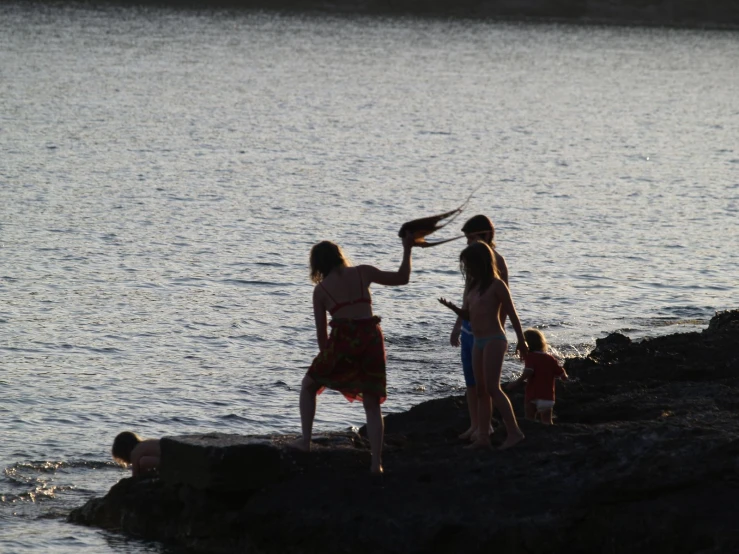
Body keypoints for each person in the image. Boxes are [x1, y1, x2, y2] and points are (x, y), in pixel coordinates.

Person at [290, 232, 416, 475]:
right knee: (371, 402)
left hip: (343, 340)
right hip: (370, 337)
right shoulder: (363, 272)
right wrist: (407, 248)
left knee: (308, 385)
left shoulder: (321, 292)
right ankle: (376, 463)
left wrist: (328, 368)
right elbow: (402, 278)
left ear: (317, 265)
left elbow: (321, 337)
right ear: (339, 257)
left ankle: (305, 441)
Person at [439, 241, 528, 450]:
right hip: (478, 341)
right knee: (480, 390)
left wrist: (522, 341)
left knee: (492, 388)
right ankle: (483, 436)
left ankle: (515, 432)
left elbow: (513, 314)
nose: (467, 270)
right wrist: (453, 308)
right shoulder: (474, 286)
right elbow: (470, 315)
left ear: (481, 263)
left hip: (495, 340)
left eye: (469, 265)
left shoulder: (497, 285)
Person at [449, 215, 510, 442]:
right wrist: (457, 326)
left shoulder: (497, 261)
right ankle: (474, 425)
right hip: (468, 327)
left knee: (484, 383)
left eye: (470, 238)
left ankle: (486, 427)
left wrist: (499, 328)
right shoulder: (473, 260)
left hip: (488, 332)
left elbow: (504, 301)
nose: (467, 243)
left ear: (484, 235)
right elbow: (467, 297)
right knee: (470, 381)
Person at [507, 329, 568, 425]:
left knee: (529, 419)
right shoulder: (551, 358)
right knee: (547, 421)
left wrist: (516, 382)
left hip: (533, 395)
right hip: (548, 397)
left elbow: (529, 371)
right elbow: (561, 373)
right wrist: (567, 381)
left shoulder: (531, 357)